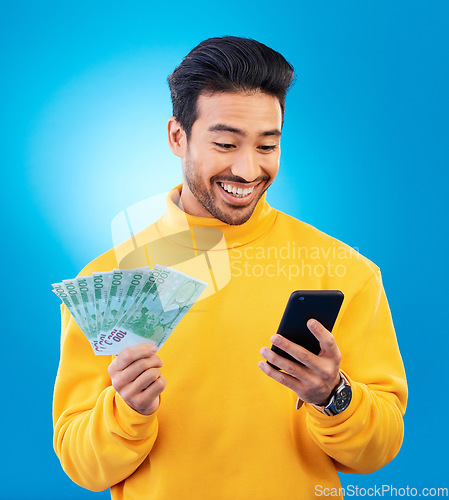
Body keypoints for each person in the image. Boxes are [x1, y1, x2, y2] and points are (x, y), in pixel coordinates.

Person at [53, 36, 407, 499]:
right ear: (177, 137)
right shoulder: (108, 282)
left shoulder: (343, 271)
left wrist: (334, 397)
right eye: (225, 143)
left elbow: (378, 451)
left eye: (267, 145)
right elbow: (83, 468)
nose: (247, 169)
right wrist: (126, 411)